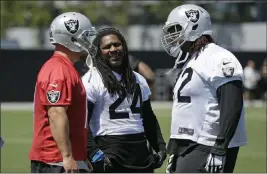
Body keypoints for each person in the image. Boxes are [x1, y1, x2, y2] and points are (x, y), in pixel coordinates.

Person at [161, 4, 247, 173]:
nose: (173, 36)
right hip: (190, 145)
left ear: (193, 26)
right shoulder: (192, 60)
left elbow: (232, 103)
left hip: (207, 144)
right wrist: (176, 152)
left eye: (176, 29)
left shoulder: (219, 57)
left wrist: (220, 147)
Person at [81, 27, 167, 173]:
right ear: (98, 51)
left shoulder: (138, 79)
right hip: (109, 148)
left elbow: (148, 117)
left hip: (140, 150)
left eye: (117, 44)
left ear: (124, 47)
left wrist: (160, 147)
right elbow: (81, 123)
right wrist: (94, 153)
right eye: (107, 47)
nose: (113, 49)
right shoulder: (91, 79)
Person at [29, 12, 97, 173]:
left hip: (61, 160)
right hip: (55, 161)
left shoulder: (65, 67)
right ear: (71, 38)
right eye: (86, 36)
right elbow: (56, 113)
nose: (90, 41)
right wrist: (67, 156)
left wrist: (80, 156)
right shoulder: (59, 70)